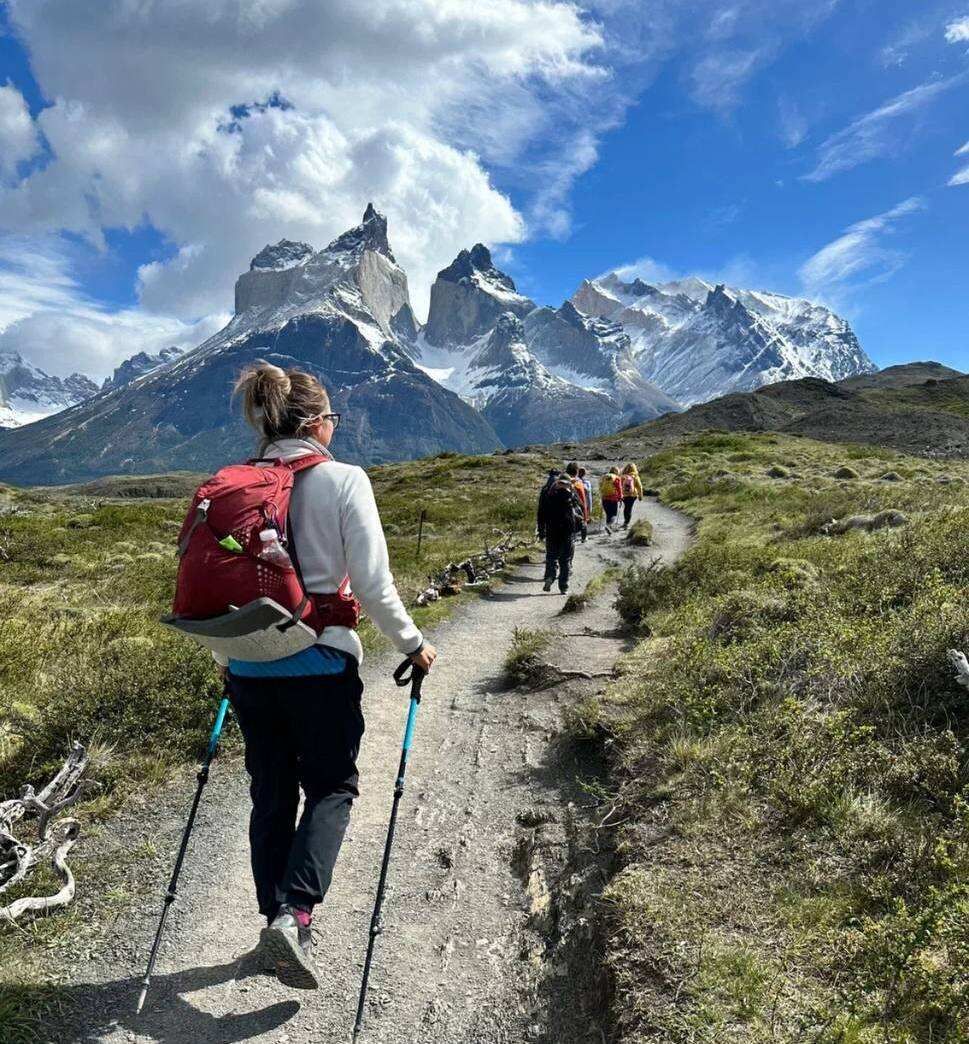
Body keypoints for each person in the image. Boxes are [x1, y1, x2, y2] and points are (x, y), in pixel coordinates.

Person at [223, 362, 437, 990]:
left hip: (247, 664)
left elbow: (218, 587)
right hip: (320, 661)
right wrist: (415, 644)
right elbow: (371, 585)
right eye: (333, 420)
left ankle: (273, 918)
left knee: (270, 790)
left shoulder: (237, 487)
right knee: (333, 787)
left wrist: (227, 663)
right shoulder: (344, 480)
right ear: (317, 423)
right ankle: (293, 917)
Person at [537, 472, 581, 593]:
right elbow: (579, 511)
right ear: (569, 483)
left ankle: (550, 577)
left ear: (557, 482)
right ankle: (563, 586)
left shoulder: (548, 494)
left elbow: (541, 513)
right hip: (567, 531)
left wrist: (541, 530)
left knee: (551, 557)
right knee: (565, 559)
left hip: (551, 529)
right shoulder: (572, 495)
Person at [565, 461, 589, 543]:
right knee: (582, 522)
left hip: (565, 511)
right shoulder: (578, 483)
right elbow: (583, 499)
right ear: (577, 471)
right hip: (577, 508)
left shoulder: (561, 482)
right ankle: (583, 538)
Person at [599, 466, 623, 533]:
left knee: (608, 514)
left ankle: (609, 528)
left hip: (604, 498)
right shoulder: (616, 478)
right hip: (613, 499)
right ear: (617, 472)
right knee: (613, 514)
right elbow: (619, 488)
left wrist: (601, 495)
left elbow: (600, 486)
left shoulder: (604, 477)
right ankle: (609, 525)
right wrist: (620, 497)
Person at [620, 462, 643, 528]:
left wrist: (619, 495)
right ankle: (626, 523)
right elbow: (639, 487)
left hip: (624, 495)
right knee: (629, 508)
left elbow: (620, 486)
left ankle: (625, 522)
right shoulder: (635, 476)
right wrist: (640, 496)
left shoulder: (623, 476)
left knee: (626, 508)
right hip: (633, 495)